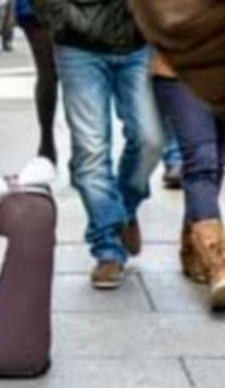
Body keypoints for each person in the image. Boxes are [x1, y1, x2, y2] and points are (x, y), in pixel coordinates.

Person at [34, 0, 164, 289]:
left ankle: (123, 212)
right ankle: (107, 248)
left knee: (150, 140)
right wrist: (66, 19)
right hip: (78, 46)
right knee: (91, 150)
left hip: (137, 41)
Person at [151, 54, 225, 309]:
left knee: (216, 164)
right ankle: (218, 267)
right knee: (201, 161)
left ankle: (193, 251)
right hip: (180, 69)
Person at [14, 0, 57, 164]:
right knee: (48, 74)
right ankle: (47, 141)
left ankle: (49, 145)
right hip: (36, 11)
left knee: (53, 75)